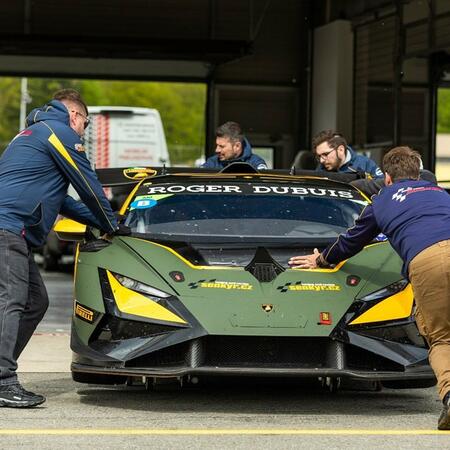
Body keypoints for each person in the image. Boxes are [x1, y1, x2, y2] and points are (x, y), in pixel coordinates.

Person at [288, 146, 450, 430]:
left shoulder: (382, 199)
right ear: (418, 172)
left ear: (387, 177)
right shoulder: (441, 194)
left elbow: (352, 240)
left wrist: (322, 259)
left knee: (442, 339)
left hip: (429, 260)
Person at [0, 89, 130, 408]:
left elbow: (65, 201)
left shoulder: (31, 133)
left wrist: (111, 219)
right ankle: (3, 380)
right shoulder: (58, 132)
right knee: (15, 298)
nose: (84, 130)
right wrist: (113, 225)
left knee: (35, 300)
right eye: (85, 123)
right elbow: (88, 187)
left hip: (11, 231)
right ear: (74, 115)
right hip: (7, 229)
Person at [313, 129, 383, 178]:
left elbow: (382, 186)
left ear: (341, 150)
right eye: (319, 156)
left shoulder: (365, 164)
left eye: (325, 154)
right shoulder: (321, 167)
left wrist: (361, 184)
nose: (322, 160)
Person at [202, 121, 267, 170]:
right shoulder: (212, 163)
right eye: (217, 145)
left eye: (221, 146)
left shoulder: (256, 163)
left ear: (237, 146)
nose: (216, 150)